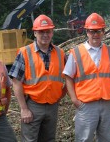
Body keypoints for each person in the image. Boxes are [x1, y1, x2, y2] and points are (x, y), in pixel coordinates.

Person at [9, 14, 67, 142]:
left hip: (52, 105)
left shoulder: (60, 53)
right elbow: (16, 82)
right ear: (35, 33)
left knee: (49, 139)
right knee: (29, 140)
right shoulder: (25, 52)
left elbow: (69, 78)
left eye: (48, 31)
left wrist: (59, 96)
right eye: (41, 32)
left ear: (52, 33)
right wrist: (24, 109)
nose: (45, 35)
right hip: (32, 105)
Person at [63, 13, 110, 142]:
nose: (95, 34)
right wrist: (75, 100)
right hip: (85, 104)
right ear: (87, 32)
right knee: (84, 139)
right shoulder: (76, 52)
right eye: (92, 31)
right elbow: (68, 77)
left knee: (106, 138)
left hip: (107, 103)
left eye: (98, 31)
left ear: (103, 31)